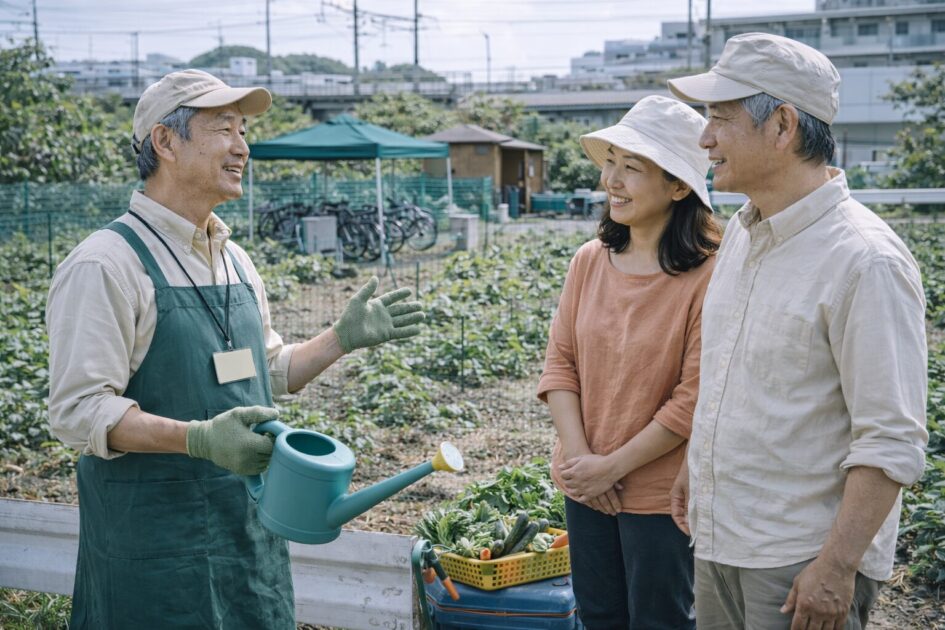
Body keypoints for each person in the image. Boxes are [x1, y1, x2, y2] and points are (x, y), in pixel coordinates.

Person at [45, 69, 424, 629]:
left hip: (248, 539)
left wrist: (339, 339)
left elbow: (266, 370)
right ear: (166, 142)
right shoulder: (107, 264)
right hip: (153, 550)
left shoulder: (235, 260)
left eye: (243, 131)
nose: (243, 147)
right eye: (225, 129)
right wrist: (198, 439)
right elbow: (78, 411)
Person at [666, 33, 929, 630]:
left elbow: (891, 440)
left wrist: (836, 566)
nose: (704, 138)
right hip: (721, 539)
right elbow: (737, 372)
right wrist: (695, 465)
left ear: (782, 125)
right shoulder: (741, 231)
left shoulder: (865, 260)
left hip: (798, 561)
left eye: (720, 119)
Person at [536, 94, 720, 629]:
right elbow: (560, 364)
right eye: (610, 162)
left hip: (661, 494)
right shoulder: (590, 261)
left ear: (679, 186)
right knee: (597, 615)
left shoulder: (709, 273)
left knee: (659, 620)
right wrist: (581, 461)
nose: (611, 180)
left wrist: (611, 468)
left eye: (632, 167)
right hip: (582, 479)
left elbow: (695, 394)